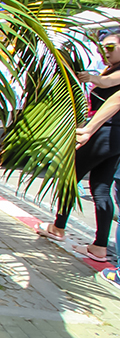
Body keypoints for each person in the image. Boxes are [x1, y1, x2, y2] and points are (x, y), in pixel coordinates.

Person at [39, 33, 120, 263]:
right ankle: (100, 246)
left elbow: (110, 90)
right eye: (102, 47)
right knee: (101, 188)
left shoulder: (113, 73)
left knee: (70, 177)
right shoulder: (111, 68)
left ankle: (58, 227)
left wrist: (88, 130)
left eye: (111, 46)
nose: (105, 50)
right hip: (113, 138)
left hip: (104, 132)